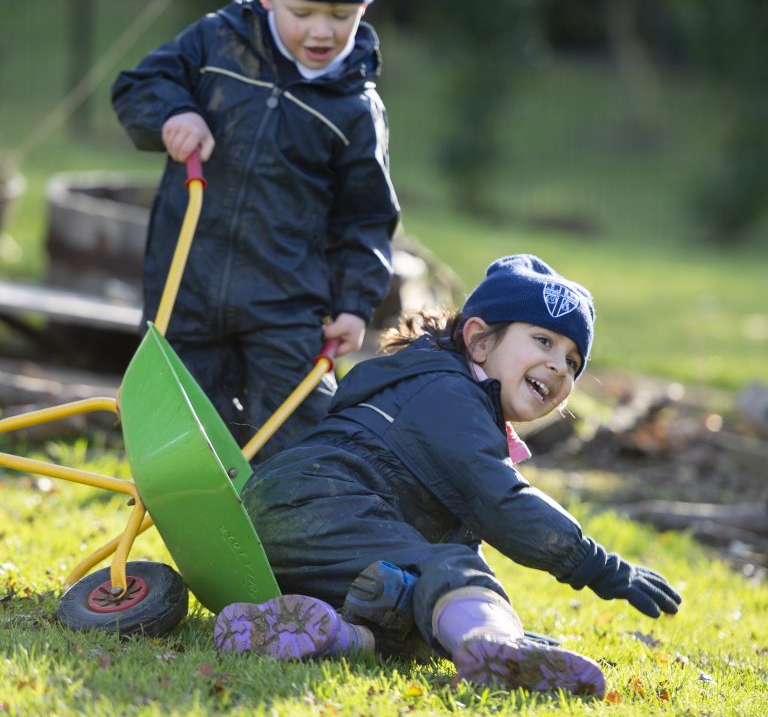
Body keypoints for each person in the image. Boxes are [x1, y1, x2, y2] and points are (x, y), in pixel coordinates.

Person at [212, 254, 682, 698]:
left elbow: (462, 538)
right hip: (324, 503)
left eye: (574, 362)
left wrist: (494, 614)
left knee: (419, 610)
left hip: (292, 526)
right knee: (449, 576)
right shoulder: (449, 394)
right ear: (479, 338)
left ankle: (328, 632)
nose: (560, 366)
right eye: (544, 341)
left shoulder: (451, 396)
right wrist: (594, 563)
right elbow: (501, 500)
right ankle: (498, 648)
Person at [111, 0, 399, 460]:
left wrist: (355, 304)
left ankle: (301, 528)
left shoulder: (356, 109)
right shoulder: (217, 42)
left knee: (297, 434)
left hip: (286, 306)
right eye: (302, 12)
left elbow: (366, 217)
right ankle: (198, 533)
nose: (321, 31)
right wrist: (176, 112)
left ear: (365, 6)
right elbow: (140, 85)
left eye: (341, 15)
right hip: (186, 289)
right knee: (181, 431)